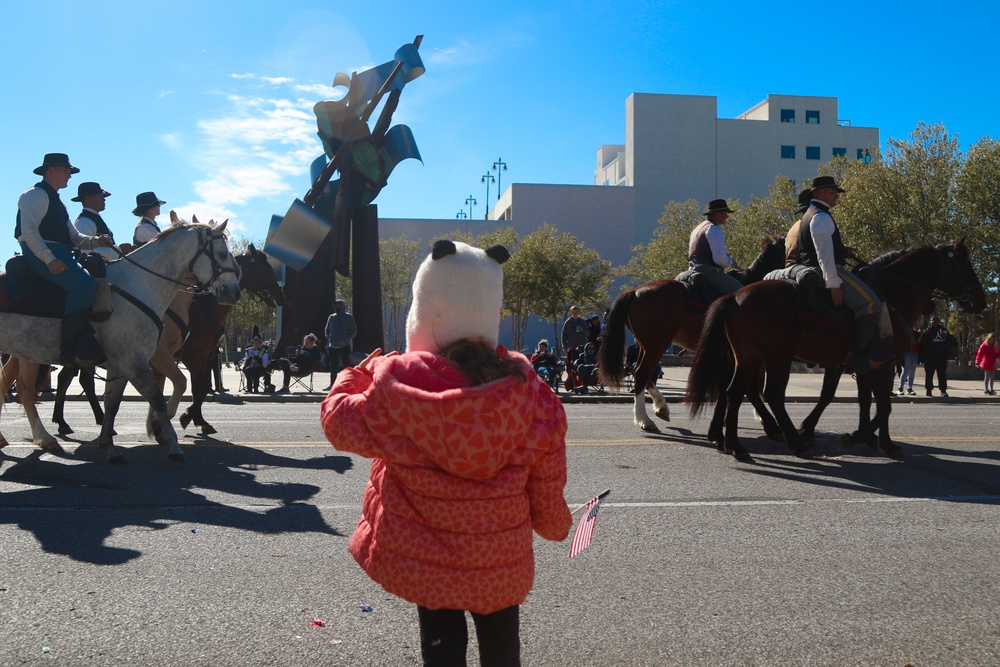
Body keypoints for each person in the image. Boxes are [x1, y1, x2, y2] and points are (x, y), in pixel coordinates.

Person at [321, 239, 571, 666]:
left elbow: (339, 423)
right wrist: (556, 524)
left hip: (428, 560)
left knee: (441, 649)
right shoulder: (533, 393)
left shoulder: (398, 389)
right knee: (502, 650)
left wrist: (353, 375)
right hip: (499, 560)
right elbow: (547, 484)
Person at [15, 153, 114, 364]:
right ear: (50, 170)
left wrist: (97, 241)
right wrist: (49, 259)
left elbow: (75, 238)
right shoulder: (34, 195)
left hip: (59, 252)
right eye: (66, 170)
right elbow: (29, 232)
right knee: (84, 285)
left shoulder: (57, 201)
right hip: (40, 252)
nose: (69, 175)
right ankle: (69, 348)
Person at [795, 175, 892, 375]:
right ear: (819, 192)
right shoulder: (821, 216)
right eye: (833, 192)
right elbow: (824, 255)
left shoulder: (810, 214)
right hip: (826, 270)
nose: (836, 196)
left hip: (817, 266)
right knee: (871, 302)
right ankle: (861, 356)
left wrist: (841, 248)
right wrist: (834, 283)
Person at [687, 198, 743, 295]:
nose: (727, 216)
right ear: (717, 214)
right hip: (708, 271)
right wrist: (731, 261)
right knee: (742, 293)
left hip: (691, 270)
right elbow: (719, 259)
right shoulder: (714, 229)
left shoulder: (698, 228)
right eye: (725, 213)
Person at [72, 181, 119, 263]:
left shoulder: (93, 219)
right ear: (87, 199)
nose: (104, 200)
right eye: (100, 197)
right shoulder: (83, 222)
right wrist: (119, 251)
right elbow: (86, 252)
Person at [323, 299, 357, 391]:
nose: (336, 307)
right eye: (335, 305)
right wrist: (329, 338)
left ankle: (349, 384)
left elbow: (354, 330)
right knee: (333, 367)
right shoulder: (331, 317)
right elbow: (327, 329)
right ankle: (332, 385)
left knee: (346, 366)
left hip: (344, 346)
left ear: (342, 306)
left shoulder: (348, 317)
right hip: (332, 346)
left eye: (338, 305)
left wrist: (347, 338)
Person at [920, 316, 955, 397]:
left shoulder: (943, 330)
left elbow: (950, 340)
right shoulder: (927, 331)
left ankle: (943, 391)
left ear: (938, 322)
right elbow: (921, 342)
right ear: (930, 322)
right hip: (930, 357)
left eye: (935, 321)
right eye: (932, 321)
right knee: (929, 374)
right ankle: (929, 390)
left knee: (942, 374)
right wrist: (924, 334)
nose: (934, 322)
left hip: (941, 356)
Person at [896, 329, 919, 396]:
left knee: (912, 371)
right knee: (906, 371)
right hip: (907, 353)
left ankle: (909, 388)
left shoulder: (916, 333)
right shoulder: (906, 333)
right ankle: (900, 388)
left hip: (915, 353)